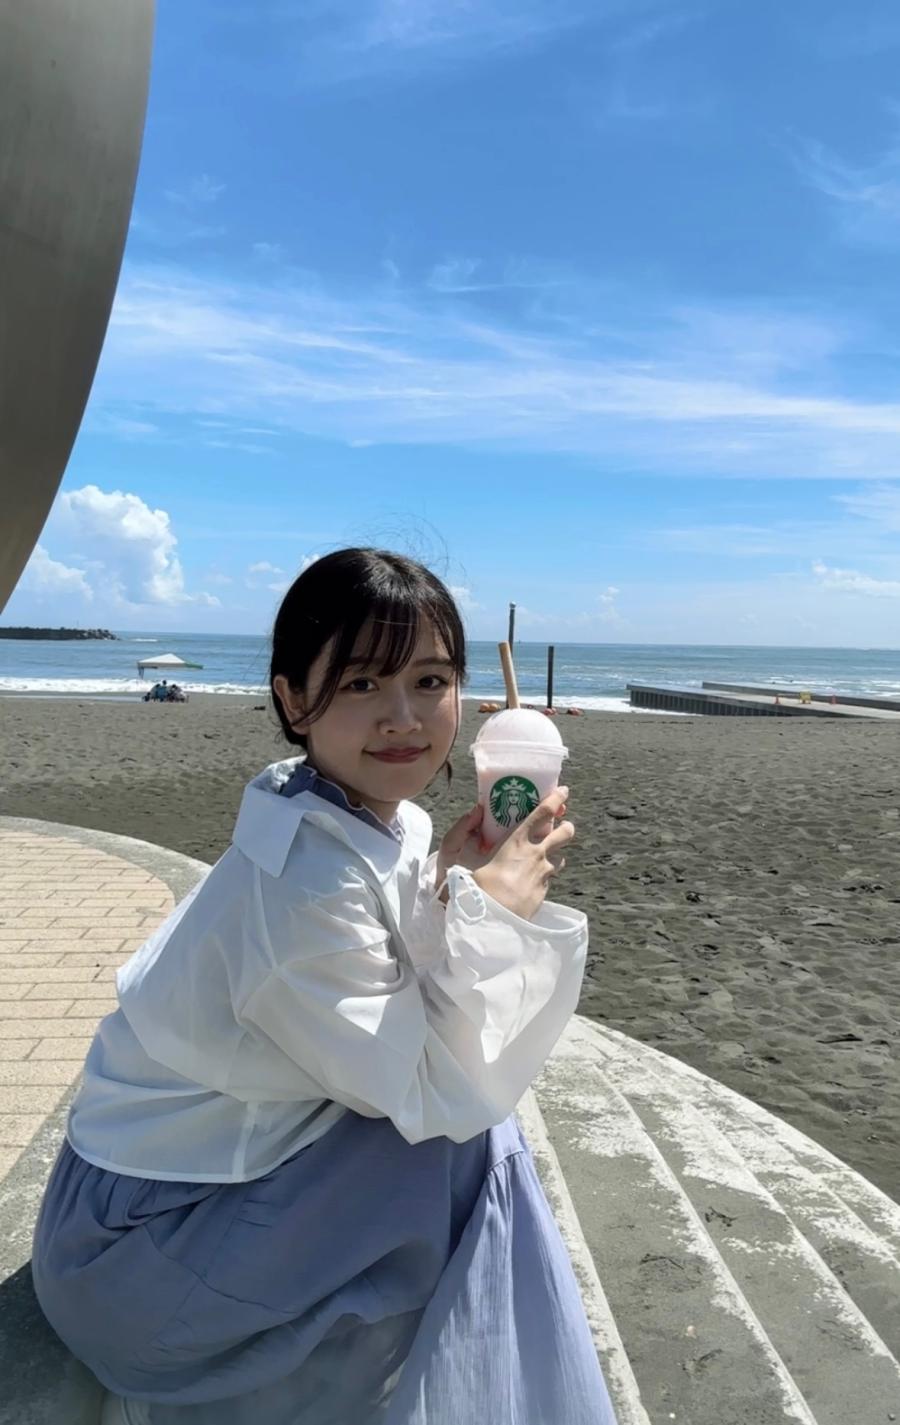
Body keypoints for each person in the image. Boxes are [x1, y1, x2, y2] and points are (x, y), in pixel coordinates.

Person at [31, 548, 617, 1425]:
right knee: (472, 1144)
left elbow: (385, 979)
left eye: (429, 680)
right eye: (360, 683)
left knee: (471, 1136)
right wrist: (490, 917)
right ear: (293, 697)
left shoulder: (363, 813)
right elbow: (430, 1082)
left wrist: (450, 885)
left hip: (155, 1204)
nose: (403, 717)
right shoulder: (301, 878)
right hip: (133, 1259)